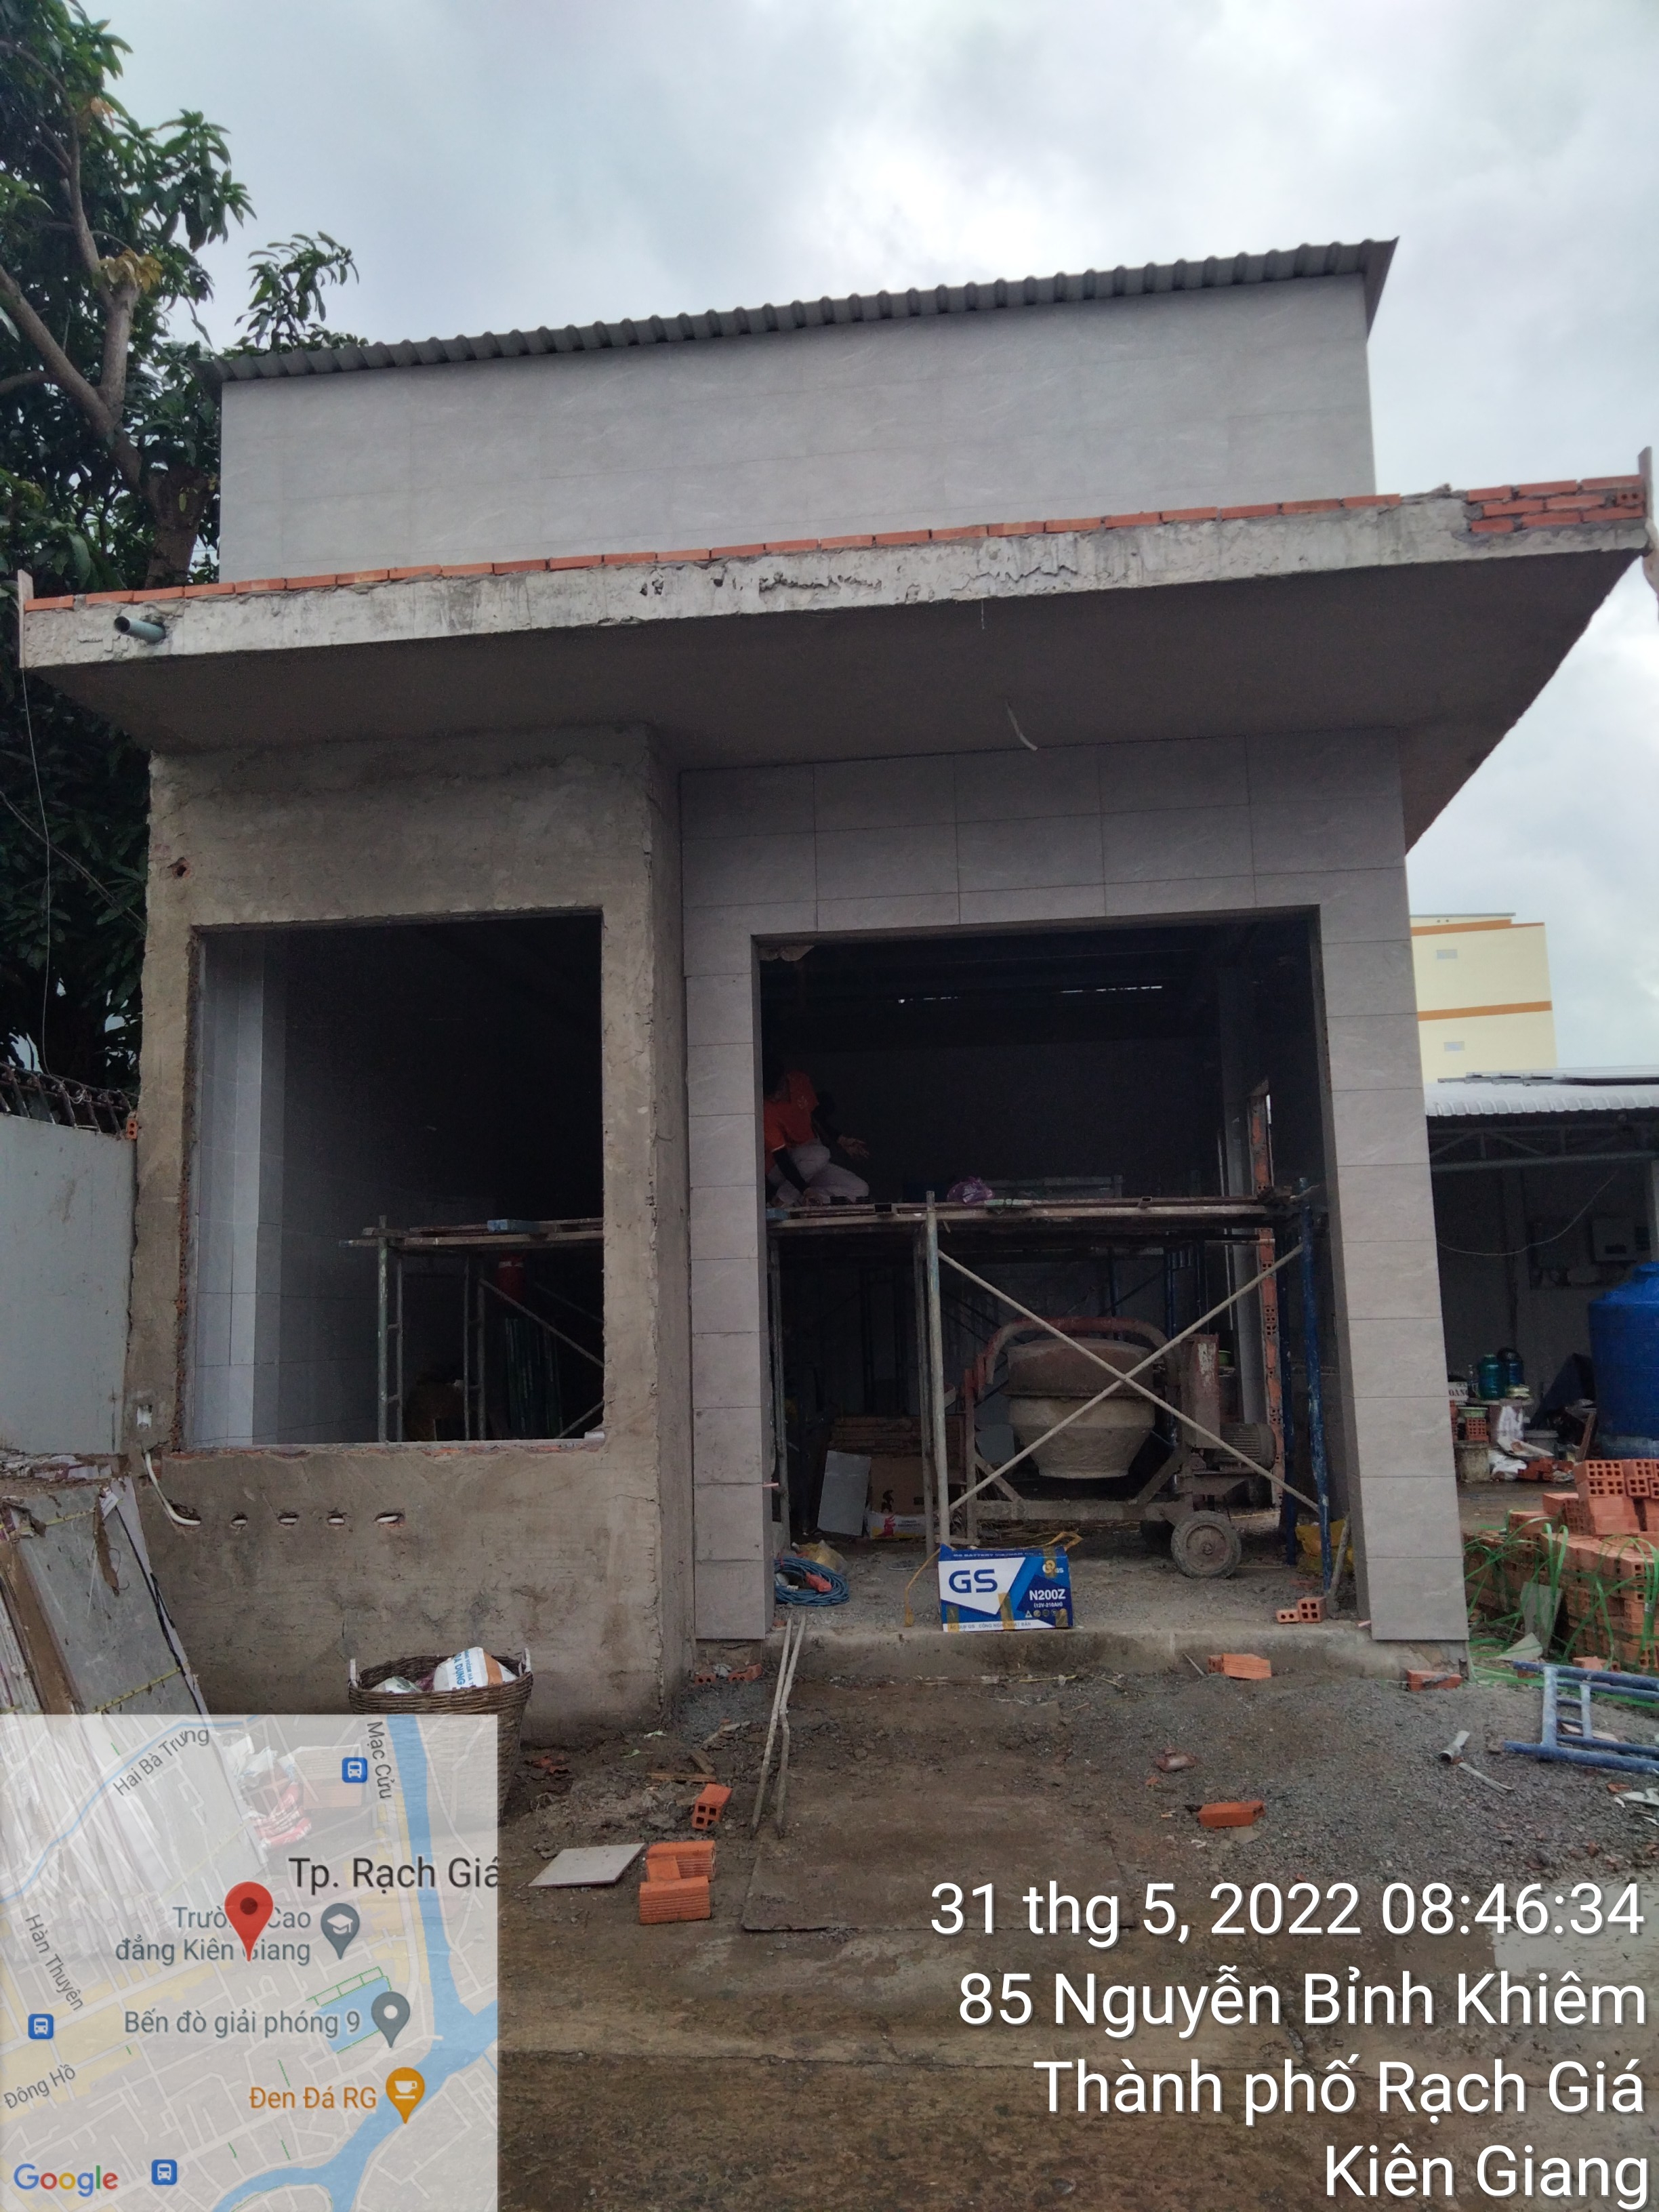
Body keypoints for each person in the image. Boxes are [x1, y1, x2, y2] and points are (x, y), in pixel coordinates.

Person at [762, 1063, 870, 1209]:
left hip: (811, 1163)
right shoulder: (767, 1109)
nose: (775, 1098)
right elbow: (782, 1158)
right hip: (780, 1168)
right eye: (769, 1095)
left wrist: (841, 1139)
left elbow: (815, 1116)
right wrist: (805, 1189)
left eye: (777, 1091)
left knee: (860, 1189)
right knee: (820, 1154)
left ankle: (801, 1201)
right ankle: (780, 1201)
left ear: (784, 1079)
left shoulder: (799, 1081)